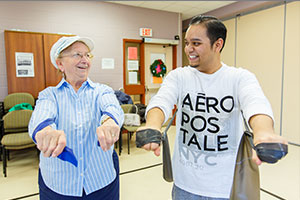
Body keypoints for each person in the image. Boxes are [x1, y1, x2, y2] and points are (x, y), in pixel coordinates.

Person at [137, 15, 288, 200]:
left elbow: (256, 104)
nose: (188, 49)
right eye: (186, 43)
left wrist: (263, 131)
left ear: (217, 44)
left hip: (224, 187)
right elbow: (162, 101)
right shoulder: (179, 76)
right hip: (185, 184)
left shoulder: (239, 78)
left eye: (196, 43)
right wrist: (153, 124)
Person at [28, 36, 124, 199]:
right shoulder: (49, 95)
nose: (85, 60)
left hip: (101, 181)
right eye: (77, 55)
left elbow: (112, 107)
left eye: (87, 55)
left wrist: (109, 122)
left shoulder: (102, 90)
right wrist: (45, 130)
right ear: (60, 64)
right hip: (59, 184)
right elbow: (41, 115)